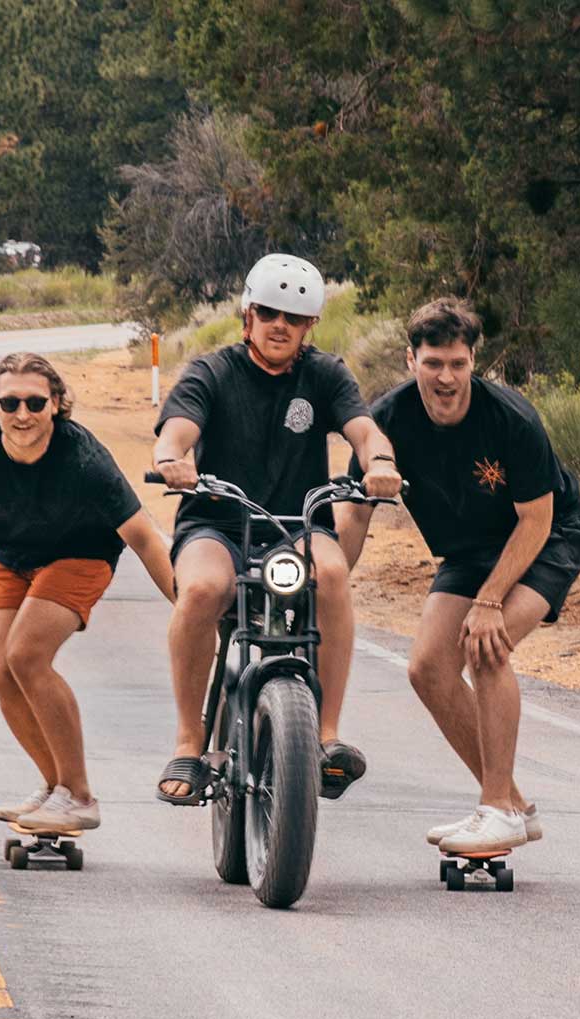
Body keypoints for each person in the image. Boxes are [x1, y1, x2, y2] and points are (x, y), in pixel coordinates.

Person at [336, 296, 580, 854]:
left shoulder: (512, 418)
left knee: (486, 645)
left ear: (475, 361)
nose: (446, 377)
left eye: (457, 363)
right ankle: (512, 806)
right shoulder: (389, 420)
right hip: (469, 550)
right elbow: (354, 511)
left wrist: (491, 600)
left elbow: (538, 518)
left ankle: (496, 807)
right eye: (433, 363)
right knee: (427, 668)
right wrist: (330, 580)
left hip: (546, 539)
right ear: (411, 360)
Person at [152, 254, 403, 804]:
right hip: (217, 522)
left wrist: (379, 462)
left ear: (310, 325)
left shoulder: (326, 374)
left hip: (297, 524)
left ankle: (327, 735)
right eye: (268, 311)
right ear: (248, 313)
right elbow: (177, 429)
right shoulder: (211, 372)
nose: (279, 325)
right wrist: (173, 457)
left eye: (293, 316)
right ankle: (189, 741)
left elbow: (363, 429)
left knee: (332, 575)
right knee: (201, 590)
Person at [0, 353, 175, 832]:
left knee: (25, 654)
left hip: (81, 554)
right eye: (9, 402)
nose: (22, 413)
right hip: (9, 555)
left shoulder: (84, 458)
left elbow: (145, 538)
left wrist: (189, 605)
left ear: (56, 405)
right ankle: (56, 787)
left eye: (34, 402)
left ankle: (80, 795)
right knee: (2, 670)